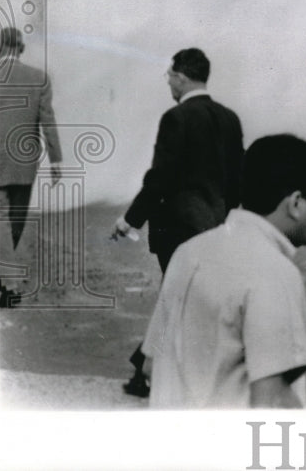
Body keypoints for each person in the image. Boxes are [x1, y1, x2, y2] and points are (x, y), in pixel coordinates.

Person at [142, 134, 306, 408]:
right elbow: (271, 401)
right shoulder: (274, 272)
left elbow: (150, 362)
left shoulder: (187, 253)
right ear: (296, 203)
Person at [111, 48, 244, 397]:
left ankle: (149, 369)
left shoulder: (176, 118)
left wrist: (129, 220)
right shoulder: (229, 118)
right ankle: (145, 367)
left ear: (182, 76)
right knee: (184, 297)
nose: (168, 81)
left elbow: (160, 179)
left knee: (178, 297)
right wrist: (225, 217)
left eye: (170, 75)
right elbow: (237, 178)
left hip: (177, 226)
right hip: (216, 224)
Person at [0, 27, 62, 308]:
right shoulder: (39, 78)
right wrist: (56, 159)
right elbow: (48, 120)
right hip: (24, 162)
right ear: (21, 48)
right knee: (15, 220)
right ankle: (8, 281)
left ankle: (6, 279)